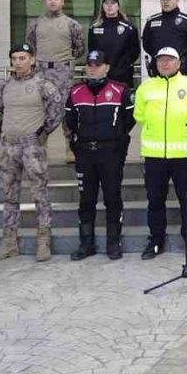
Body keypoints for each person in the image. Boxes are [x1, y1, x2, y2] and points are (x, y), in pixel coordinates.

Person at [0, 43, 64, 263]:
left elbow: (57, 110)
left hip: (32, 147)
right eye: (15, 58)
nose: (18, 62)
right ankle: (10, 242)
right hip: (8, 146)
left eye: (23, 58)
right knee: (9, 195)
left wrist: (42, 132)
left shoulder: (43, 85)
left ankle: (43, 240)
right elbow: (0, 110)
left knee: (39, 193)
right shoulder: (4, 86)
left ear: (32, 59)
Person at [133, 47, 187, 260]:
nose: (165, 64)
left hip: (183, 154)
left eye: (170, 60)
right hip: (154, 155)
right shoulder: (146, 87)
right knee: (155, 200)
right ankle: (156, 240)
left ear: (178, 62)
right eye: (161, 60)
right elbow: (140, 116)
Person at [63, 50, 135, 261]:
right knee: (86, 199)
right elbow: (70, 122)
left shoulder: (120, 90)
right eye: (90, 65)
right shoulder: (76, 92)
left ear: (107, 67)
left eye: (98, 64)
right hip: (85, 153)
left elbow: (128, 121)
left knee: (112, 198)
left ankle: (113, 242)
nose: (93, 68)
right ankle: (87, 243)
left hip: (110, 153)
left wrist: (115, 139)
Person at [24, 0, 84, 144]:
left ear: (62, 2)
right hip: (41, 71)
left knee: (66, 107)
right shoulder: (35, 24)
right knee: (40, 108)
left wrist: (64, 62)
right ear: (45, 2)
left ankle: (70, 145)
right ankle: (40, 144)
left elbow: (79, 49)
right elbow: (30, 47)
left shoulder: (72, 25)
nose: (53, 1)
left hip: (63, 71)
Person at [141, 0, 187, 79]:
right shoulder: (152, 21)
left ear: (177, 0)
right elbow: (147, 45)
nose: (165, 2)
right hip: (158, 73)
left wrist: (184, 58)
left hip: (181, 72)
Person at [88, 0, 140, 87]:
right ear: (102, 7)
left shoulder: (129, 28)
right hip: (101, 75)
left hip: (122, 76)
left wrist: (124, 64)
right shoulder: (94, 28)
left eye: (112, 3)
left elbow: (134, 52)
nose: (109, 6)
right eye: (106, 3)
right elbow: (92, 50)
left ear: (118, 6)